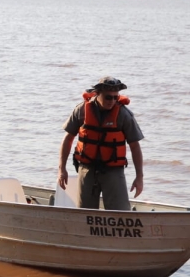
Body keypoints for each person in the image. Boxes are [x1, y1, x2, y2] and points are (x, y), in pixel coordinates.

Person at [57, 76, 144, 210]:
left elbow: (135, 146)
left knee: (120, 214)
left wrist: (139, 177)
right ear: (97, 94)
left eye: (116, 97)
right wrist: (62, 169)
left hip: (113, 171)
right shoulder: (81, 111)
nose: (112, 101)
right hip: (87, 169)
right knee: (85, 213)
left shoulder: (124, 115)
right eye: (108, 97)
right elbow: (68, 139)